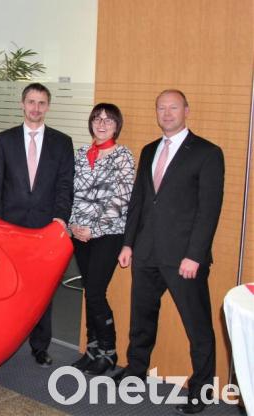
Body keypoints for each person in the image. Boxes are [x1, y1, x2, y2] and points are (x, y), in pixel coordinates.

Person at [114, 90, 224, 414]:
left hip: (184, 258)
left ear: (186, 110)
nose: (166, 113)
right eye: (161, 108)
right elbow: (139, 203)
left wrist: (196, 255)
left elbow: (209, 210)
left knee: (197, 325)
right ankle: (136, 371)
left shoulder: (207, 153)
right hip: (146, 251)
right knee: (141, 319)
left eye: (173, 107)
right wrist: (128, 244)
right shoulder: (149, 150)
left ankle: (201, 390)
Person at [0, 82, 74, 367]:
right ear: (22, 104)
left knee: (43, 289)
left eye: (41, 103)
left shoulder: (62, 142)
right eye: (31, 102)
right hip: (10, 228)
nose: (35, 108)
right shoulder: (5, 140)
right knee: (8, 286)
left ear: (47, 107)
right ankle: (3, 340)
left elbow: (65, 186)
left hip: (45, 229)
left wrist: (60, 220)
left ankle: (40, 346)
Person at [68, 103, 135, 375]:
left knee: (96, 291)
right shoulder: (82, 153)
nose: (102, 123)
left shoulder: (123, 156)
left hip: (108, 234)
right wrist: (72, 224)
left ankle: (109, 351)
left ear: (117, 125)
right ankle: (93, 348)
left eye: (108, 119)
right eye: (97, 118)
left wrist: (93, 229)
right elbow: (71, 190)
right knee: (89, 291)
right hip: (78, 234)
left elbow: (121, 199)